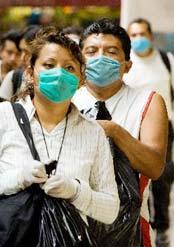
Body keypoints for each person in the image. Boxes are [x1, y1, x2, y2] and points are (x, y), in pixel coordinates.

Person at [0, 26, 120, 226]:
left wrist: (75, 191)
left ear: (81, 80)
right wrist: (18, 178)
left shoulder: (92, 132)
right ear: (29, 73)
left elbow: (111, 210)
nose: (59, 73)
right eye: (49, 64)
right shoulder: (1, 116)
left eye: (69, 68)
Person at [73, 18, 168, 246]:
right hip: (69, 226)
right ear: (80, 61)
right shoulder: (66, 100)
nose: (100, 58)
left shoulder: (148, 102)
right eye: (92, 51)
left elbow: (154, 167)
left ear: (127, 64)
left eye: (112, 51)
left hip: (131, 231)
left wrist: (114, 131)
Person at [124, 18, 174, 247]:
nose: (138, 39)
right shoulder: (126, 63)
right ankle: (135, 227)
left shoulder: (167, 61)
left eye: (142, 34)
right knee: (133, 180)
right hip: (132, 126)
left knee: (162, 179)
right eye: (133, 35)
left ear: (151, 36)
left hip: (164, 126)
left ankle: (162, 228)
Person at [0, 25, 40, 100]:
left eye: (27, 52)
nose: (22, 58)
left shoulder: (50, 81)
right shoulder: (14, 77)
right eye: (21, 51)